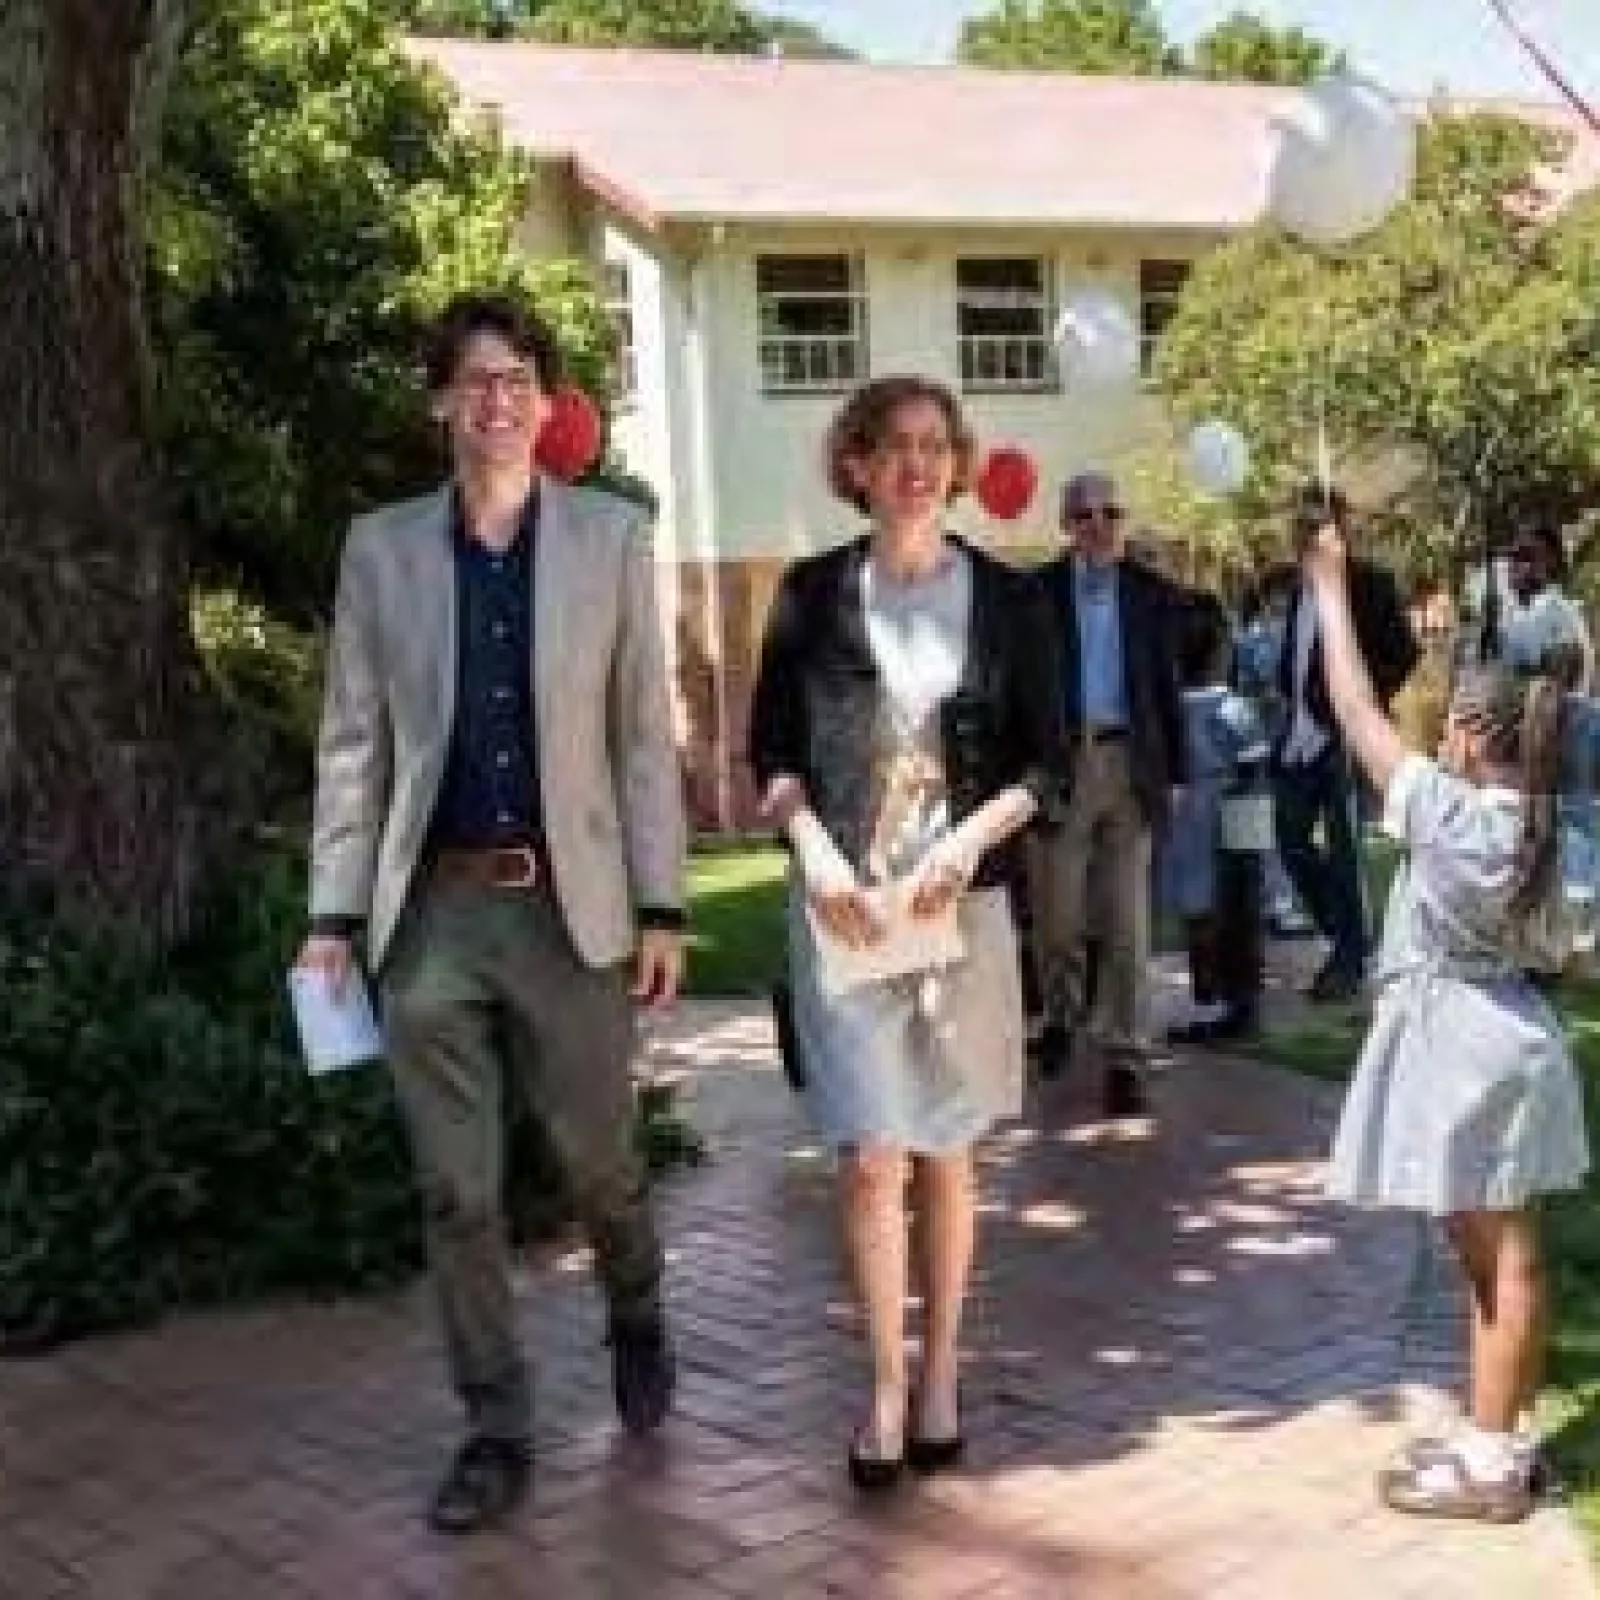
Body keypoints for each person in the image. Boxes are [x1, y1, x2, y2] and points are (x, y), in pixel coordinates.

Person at [297, 292, 687, 1534]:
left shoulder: (613, 539)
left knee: (600, 1166)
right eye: (473, 380)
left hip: (567, 910)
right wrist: (332, 912)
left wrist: (664, 902)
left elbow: (639, 740)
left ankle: (636, 1303)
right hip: (431, 918)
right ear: (440, 405)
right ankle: (496, 1424)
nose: (497, 398)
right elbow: (353, 742)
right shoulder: (382, 548)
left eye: (517, 377)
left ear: (548, 398)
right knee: (454, 1192)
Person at [747, 375, 1063, 1492]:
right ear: (858, 465)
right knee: (870, 1156)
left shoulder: (1016, 601)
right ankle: (883, 1384)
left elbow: (1047, 764)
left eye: (937, 445)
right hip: (847, 908)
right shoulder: (807, 595)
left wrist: (969, 841)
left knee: (945, 1147)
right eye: (895, 446)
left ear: (956, 462)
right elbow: (771, 757)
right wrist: (817, 853)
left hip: (959, 909)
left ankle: (941, 1377)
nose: (918, 465)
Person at [1304, 516, 1589, 1523]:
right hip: (1518, 1032)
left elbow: (1348, 702)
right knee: (1500, 1246)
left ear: (1468, 737)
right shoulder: (1559, 830)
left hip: (1458, 1040)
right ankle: (1495, 1434)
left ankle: (1491, 1464)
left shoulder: (1447, 810)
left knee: (1497, 1252)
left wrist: (1329, 588)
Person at [1028, 472, 1187, 1114]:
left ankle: (1127, 1055)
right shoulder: (1034, 595)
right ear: (1065, 525)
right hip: (1063, 768)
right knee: (1059, 920)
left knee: (1127, 924)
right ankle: (1063, 1017)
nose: (1098, 526)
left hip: (1131, 767)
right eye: (1084, 515)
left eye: (1110, 513)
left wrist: (1174, 774)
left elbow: (1165, 689)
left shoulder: (1153, 596)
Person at [1273, 484, 1419, 1002]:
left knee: (1344, 849)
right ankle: (1346, 934)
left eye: (1314, 524)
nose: (1304, 533)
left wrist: (1362, 703)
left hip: (1343, 738)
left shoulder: (1368, 584)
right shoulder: (1297, 588)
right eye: (1300, 524)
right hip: (1296, 737)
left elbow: (1404, 651)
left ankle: (1349, 960)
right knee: (1290, 843)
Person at [1160, 595, 1271, 1044]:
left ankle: (1208, 1002)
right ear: (1222, 650)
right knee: (1239, 919)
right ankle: (1239, 1006)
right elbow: (1254, 770)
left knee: (1198, 920)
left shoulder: (1168, 713)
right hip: (1234, 832)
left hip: (1186, 839)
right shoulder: (1234, 710)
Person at [1499, 522, 1594, 692]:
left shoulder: (1561, 616)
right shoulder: (1511, 615)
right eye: (1512, 557)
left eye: (1526, 557)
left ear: (1551, 562)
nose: (1513, 565)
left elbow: (1552, 694)